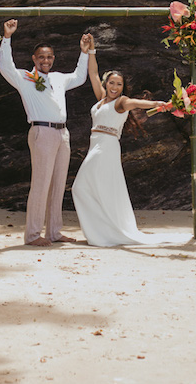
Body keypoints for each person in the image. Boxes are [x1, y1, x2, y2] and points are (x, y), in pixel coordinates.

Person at [71, 37, 170, 247]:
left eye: (119, 84)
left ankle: (104, 232)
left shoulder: (121, 102)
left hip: (106, 148)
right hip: (95, 146)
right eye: (112, 82)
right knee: (96, 189)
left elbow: (137, 103)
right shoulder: (101, 98)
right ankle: (105, 230)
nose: (114, 87)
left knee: (79, 187)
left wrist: (158, 104)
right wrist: (92, 51)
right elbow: (93, 73)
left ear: (122, 87)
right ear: (107, 83)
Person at [0, 18, 90, 246]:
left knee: (59, 183)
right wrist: (7, 37)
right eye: (41, 57)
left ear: (53, 59)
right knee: (41, 184)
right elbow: (5, 67)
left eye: (49, 57)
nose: (46, 60)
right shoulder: (26, 79)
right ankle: (32, 235)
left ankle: (54, 232)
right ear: (34, 59)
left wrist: (84, 53)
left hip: (62, 134)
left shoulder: (59, 78)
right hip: (42, 132)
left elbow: (80, 77)